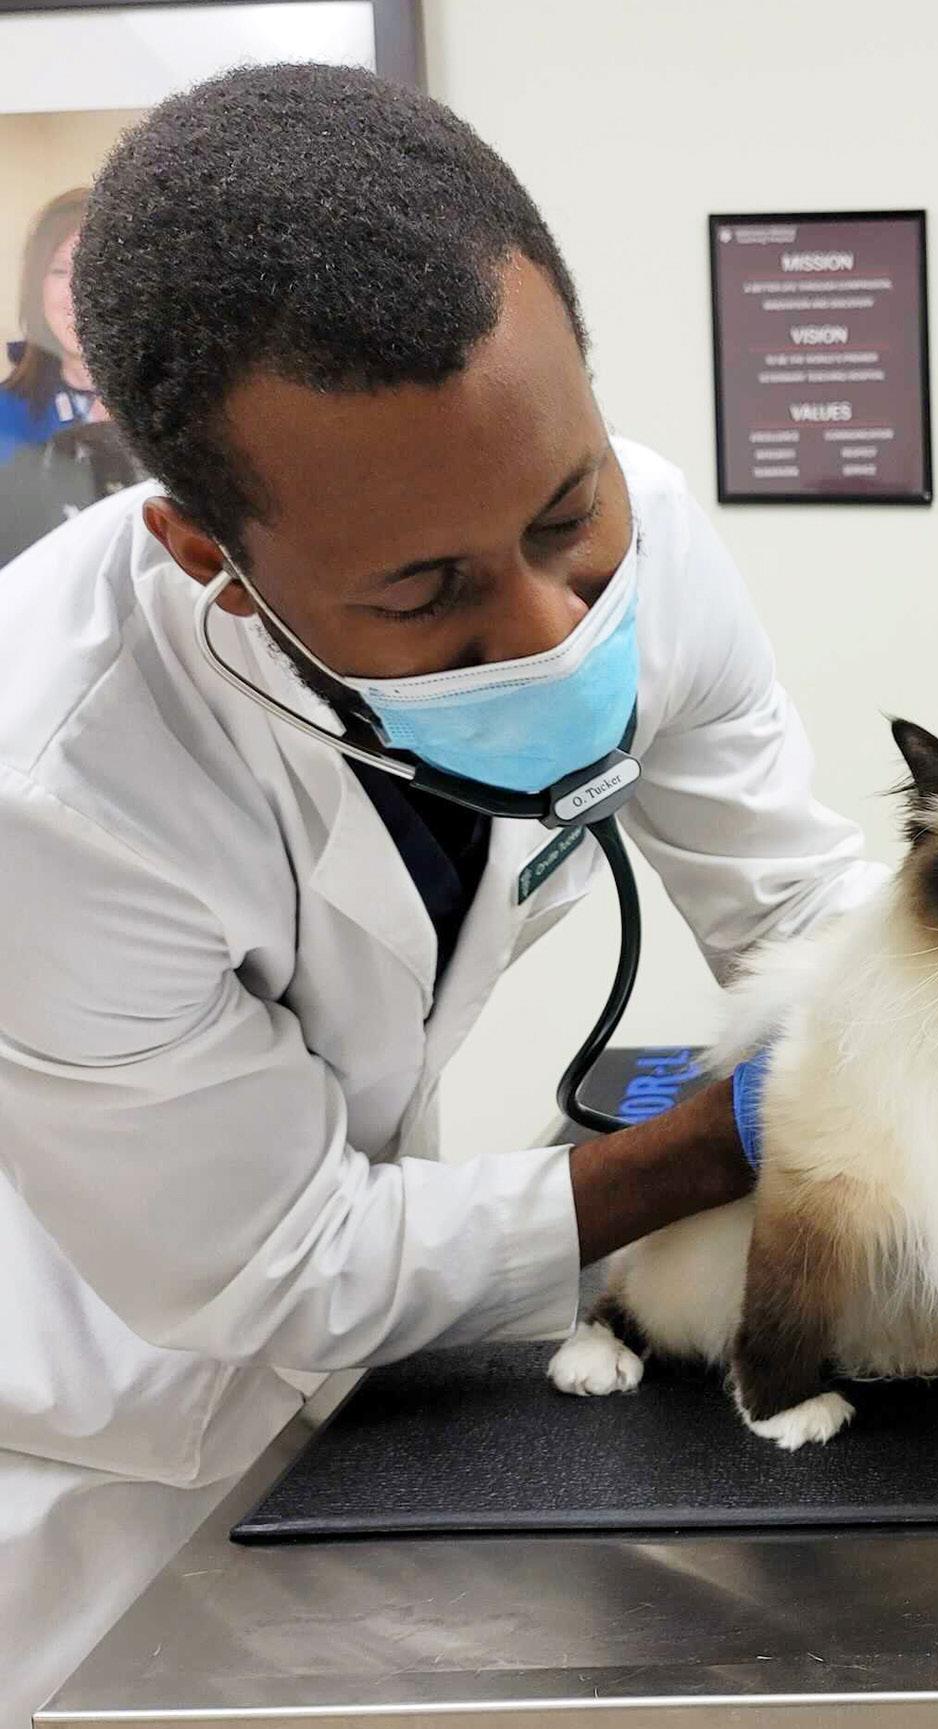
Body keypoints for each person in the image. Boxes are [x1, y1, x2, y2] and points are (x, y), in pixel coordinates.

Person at [0, 62, 886, 1725]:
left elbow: (792, 903)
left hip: (365, 1374)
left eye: (566, 514)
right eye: (424, 591)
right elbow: (273, 1263)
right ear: (210, 557)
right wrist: (720, 1139)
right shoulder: (51, 790)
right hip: (99, 1443)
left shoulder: (651, 547)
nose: (552, 627)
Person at [0, 188, 144, 563]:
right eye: (60, 271)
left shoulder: (181, 408)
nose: (77, 293)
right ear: (36, 287)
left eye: (97, 267)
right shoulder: (5, 418)